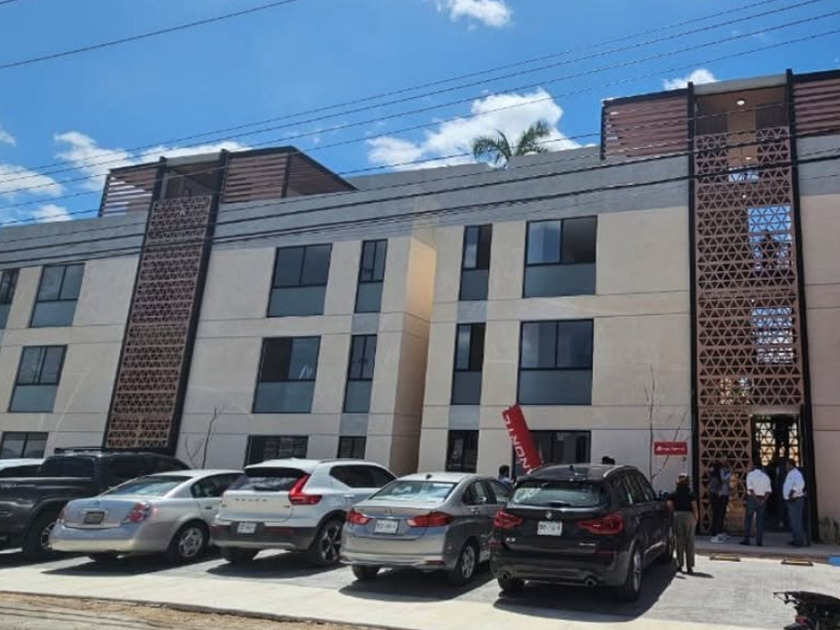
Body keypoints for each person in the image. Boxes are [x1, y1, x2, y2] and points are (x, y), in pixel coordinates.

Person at [668, 473, 698, 574]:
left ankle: (679, 565)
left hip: (677, 515)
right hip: (689, 516)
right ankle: (690, 566)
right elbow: (694, 506)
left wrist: (674, 513)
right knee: (690, 541)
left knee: (679, 541)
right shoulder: (691, 493)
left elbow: (670, 505)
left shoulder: (673, 493)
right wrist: (696, 517)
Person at [741, 460, 772, 547]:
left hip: (752, 498)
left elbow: (750, 489)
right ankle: (759, 541)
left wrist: (755, 499)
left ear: (754, 466)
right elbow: (768, 491)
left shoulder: (750, 475)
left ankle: (746, 539)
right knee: (760, 520)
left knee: (748, 519)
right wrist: (763, 500)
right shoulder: (766, 477)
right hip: (762, 498)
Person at [783, 458, 806, 547]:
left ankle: (799, 541)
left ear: (791, 465)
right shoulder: (790, 473)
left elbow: (800, 484)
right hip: (791, 500)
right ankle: (795, 539)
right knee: (793, 521)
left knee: (796, 521)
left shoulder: (797, 474)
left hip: (795, 500)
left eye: (787, 465)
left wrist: (791, 493)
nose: (786, 466)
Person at [709, 458, 732, 542]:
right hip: (718, 495)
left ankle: (718, 531)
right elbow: (723, 479)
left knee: (719, 514)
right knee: (718, 514)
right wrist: (730, 473)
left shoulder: (715, 474)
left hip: (719, 495)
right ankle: (716, 532)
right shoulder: (717, 474)